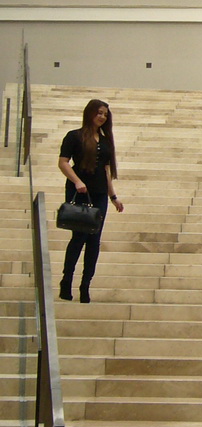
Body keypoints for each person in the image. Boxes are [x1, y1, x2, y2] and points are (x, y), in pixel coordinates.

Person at [58, 99, 124, 303]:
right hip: (79, 192)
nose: (102, 117)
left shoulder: (105, 141)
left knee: (94, 241)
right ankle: (66, 281)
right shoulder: (74, 136)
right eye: (99, 113)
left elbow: (106, 171)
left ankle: (85, 285)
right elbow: (62, 163)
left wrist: (113, 197)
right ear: (90, 113)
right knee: (78, 237)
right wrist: (77, 181)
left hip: (99, 194)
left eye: (105, 114)